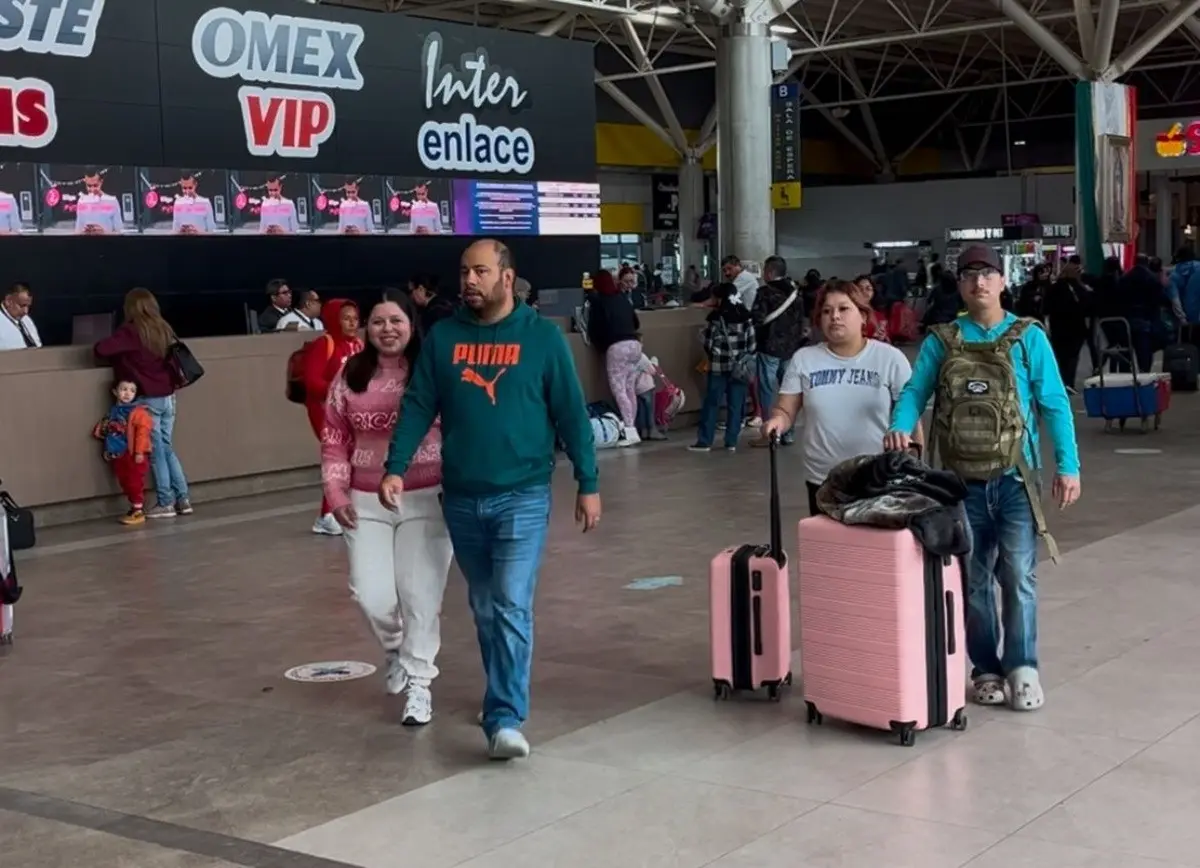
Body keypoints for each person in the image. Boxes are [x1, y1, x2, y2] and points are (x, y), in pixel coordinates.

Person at [379, 239, 600, 761]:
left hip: (522, 495)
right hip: (461, 497)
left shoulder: (543, 339)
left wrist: (588, 483)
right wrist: (395, 467)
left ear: (507, 278)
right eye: (464, 272)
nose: (469, 280)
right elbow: (417, 406)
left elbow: (572, 415)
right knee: (484, 606)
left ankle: (504, 717)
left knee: (511, 603)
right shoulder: (443, 339)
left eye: (480, 271)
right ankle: (501, 692)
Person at [885, 244, 1081, 713]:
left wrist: (1068, 466)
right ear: (960, 285)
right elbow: (916, 390)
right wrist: (898, 424)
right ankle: (986, 669)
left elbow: (1054, 402)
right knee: (973, 582)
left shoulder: (1028, 336)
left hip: (1015, 479)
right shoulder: (943, 339)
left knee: (1017, 576)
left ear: (1002, 281)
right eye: (969, 275)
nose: (979, 283)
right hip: (960, 483)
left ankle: (1023, 667)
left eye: (987, 274)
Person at [322, 293, 452, 726]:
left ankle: (420, 683)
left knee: (420, 597)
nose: (387, 329)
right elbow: (334, 437)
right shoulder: (349, 375)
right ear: (365, 328)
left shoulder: (432, 372)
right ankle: (396, 649)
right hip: (365, 501)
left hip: (426, 497)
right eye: (378, 321)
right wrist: (336, 493)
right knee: (370, 594)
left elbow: (459, 426)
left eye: (396, 320)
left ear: (412, 325)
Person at [762, 280, 918, 514]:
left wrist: (915, 465)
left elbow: (911, 416)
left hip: (877, 479)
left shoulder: (890, 359)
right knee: (829, 549)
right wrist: (777, 421)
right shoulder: (805, 359)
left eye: (843, 309)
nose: (834, 316)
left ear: (863, 315)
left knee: (873, 549)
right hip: (823, 480)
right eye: (827, 311)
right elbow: (786, 410)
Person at [94, 289, 194, 519]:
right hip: (168, 397)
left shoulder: (132, 330)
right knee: (167, 449)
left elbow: (101, 349)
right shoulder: (163, 328)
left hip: (148, 398)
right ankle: (183, 499)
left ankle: (166, 502)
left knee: (157, 452)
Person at [304, 299, 362, 535]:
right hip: (325, 410)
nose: (352, 323)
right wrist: (339, 390)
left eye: (355, 318)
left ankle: (334, 509)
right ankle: (328, 514)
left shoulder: (358, 345)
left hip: (349, 411)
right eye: (346, 318)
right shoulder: (324, 344)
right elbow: (312, 381)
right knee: (338, 455)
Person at [690, 282, 757, 453]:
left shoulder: (716, 317)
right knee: (736, 405)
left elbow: (711, 344)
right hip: (739, 368)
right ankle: (731, 442)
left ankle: (705, 441)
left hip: (719, 367)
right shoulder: (746, 316)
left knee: (712, 403)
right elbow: (752, 345)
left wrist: (702, 337)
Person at [750, 256, 805, 447]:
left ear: (770, 272)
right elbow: (801, 322)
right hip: (791, 349)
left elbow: (757, 318)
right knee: (788, 390)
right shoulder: (796, 293)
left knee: (766, 390)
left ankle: (770, 433)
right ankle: (788, 433)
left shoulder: (765, 293)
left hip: (769, 348)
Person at [586, 269, 643, 445]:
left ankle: (630, 431)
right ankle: (632, 428)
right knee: (629, 389)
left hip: (616, 347)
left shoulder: (598, 301)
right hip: (635, 346)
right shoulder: (622, 298)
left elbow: (594, 328)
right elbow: (636, 322)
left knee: (619, 391)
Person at [92, 379, 153, 525]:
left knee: (134, 482)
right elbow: (106, 428)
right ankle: (134, 507)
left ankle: (138, 509)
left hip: (132, 454)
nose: (127, 393)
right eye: (124, 389)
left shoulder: (139, 413)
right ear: (115, 392)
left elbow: (142, 434)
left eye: (132, 390)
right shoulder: (114, 411)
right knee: (125, 481)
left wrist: (139, 452)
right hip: (118, 454)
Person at [1044, 261, 1091, 393]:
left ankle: (1061, 381)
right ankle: (1069, 381)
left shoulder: (1053, 289)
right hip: (1076, 327)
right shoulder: (1080, 288)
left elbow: (1046, 308)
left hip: (1058, 327)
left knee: (1060, 356)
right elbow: (1087, 307)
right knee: (1072, 356)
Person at [0, 283, 41, 350]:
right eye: (22, 306)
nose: (25, 311)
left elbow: (38, 345)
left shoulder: (27, 320)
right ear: (8, 301)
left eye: (28, 306)